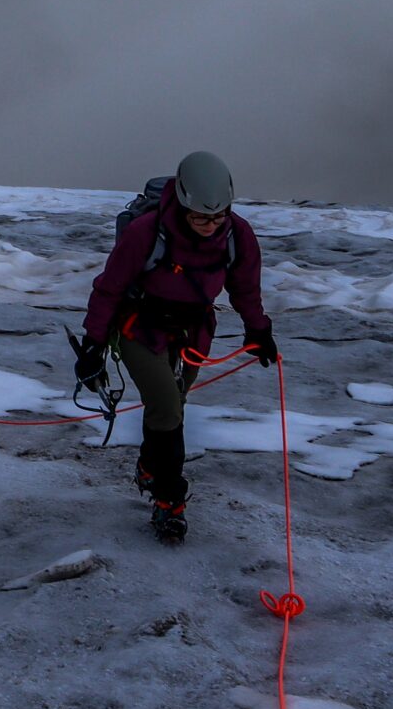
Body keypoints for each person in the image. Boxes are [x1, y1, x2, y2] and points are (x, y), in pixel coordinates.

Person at [79, 150, 277, 543]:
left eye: (218, 217)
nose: (210, 225)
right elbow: (109, 288)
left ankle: (151, 469)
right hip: (140, 329)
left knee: (172, 409)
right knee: (167, 409)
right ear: (183, 203)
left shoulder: (238, 236)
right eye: (202, 217)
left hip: (192, 332)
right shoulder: (146, 233)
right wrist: (93, 344)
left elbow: (245, 289)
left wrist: (258, 331)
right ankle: (171, 503)